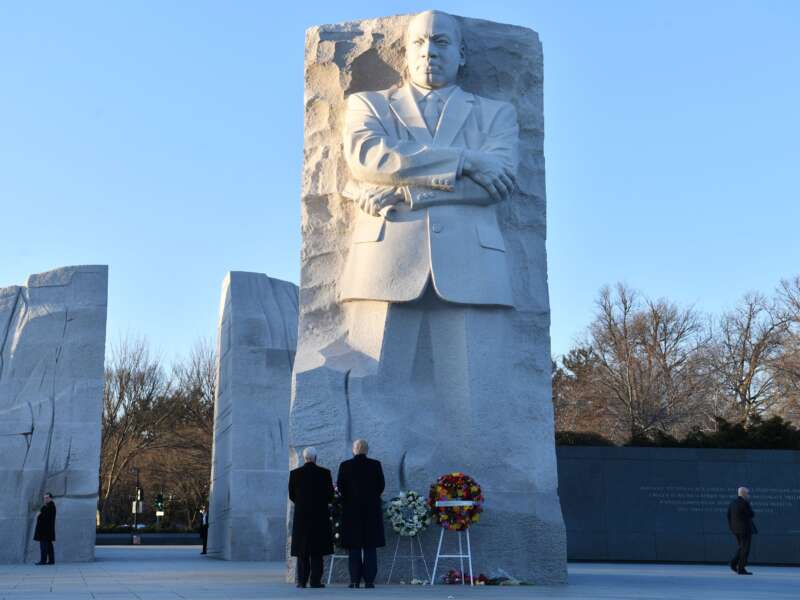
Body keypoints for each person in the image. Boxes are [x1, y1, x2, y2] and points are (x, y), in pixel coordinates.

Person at [337, 440, 385, 589]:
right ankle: (369, 581)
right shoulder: (375, 465)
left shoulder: (345, 465)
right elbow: (381, 486)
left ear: (353, 450)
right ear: (367, 450)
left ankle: (354, 581)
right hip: (371, 511)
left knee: (354, 547)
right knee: (370, 547)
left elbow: (340, 487)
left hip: (352, 512)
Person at [289, 447, 334, 589]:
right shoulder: (325, 473)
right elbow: (330, 495)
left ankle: (302, 581)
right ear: (315, 458)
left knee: (302, 551)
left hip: (301, 516)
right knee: (317, 551)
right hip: (319, 516)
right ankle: (315, 581)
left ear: (304, 458)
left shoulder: (295, 473)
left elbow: (292, 495)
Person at [728, 486, 756, 575]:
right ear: (743, 493)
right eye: (747, 493)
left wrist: (732, 527)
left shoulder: (732, 503)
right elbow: (751, 514)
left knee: (741, 547)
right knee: (745, 549)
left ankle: (733, 563)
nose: (748, 495)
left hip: (736, 530)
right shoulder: (745, 503)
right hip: (745, 529)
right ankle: (741, 568)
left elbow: (728, 516)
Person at [33, 492, 56, 565]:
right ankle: (51, 561)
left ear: (50, 498)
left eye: (47, 498)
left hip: (45, 531)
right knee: (49, 546)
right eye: (44, 498)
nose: (45, 499)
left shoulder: (50, 506)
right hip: (46, 530)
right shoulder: (48, 506)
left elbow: (45, 517)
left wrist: (39, 514)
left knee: (44, 546)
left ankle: (43, 561)